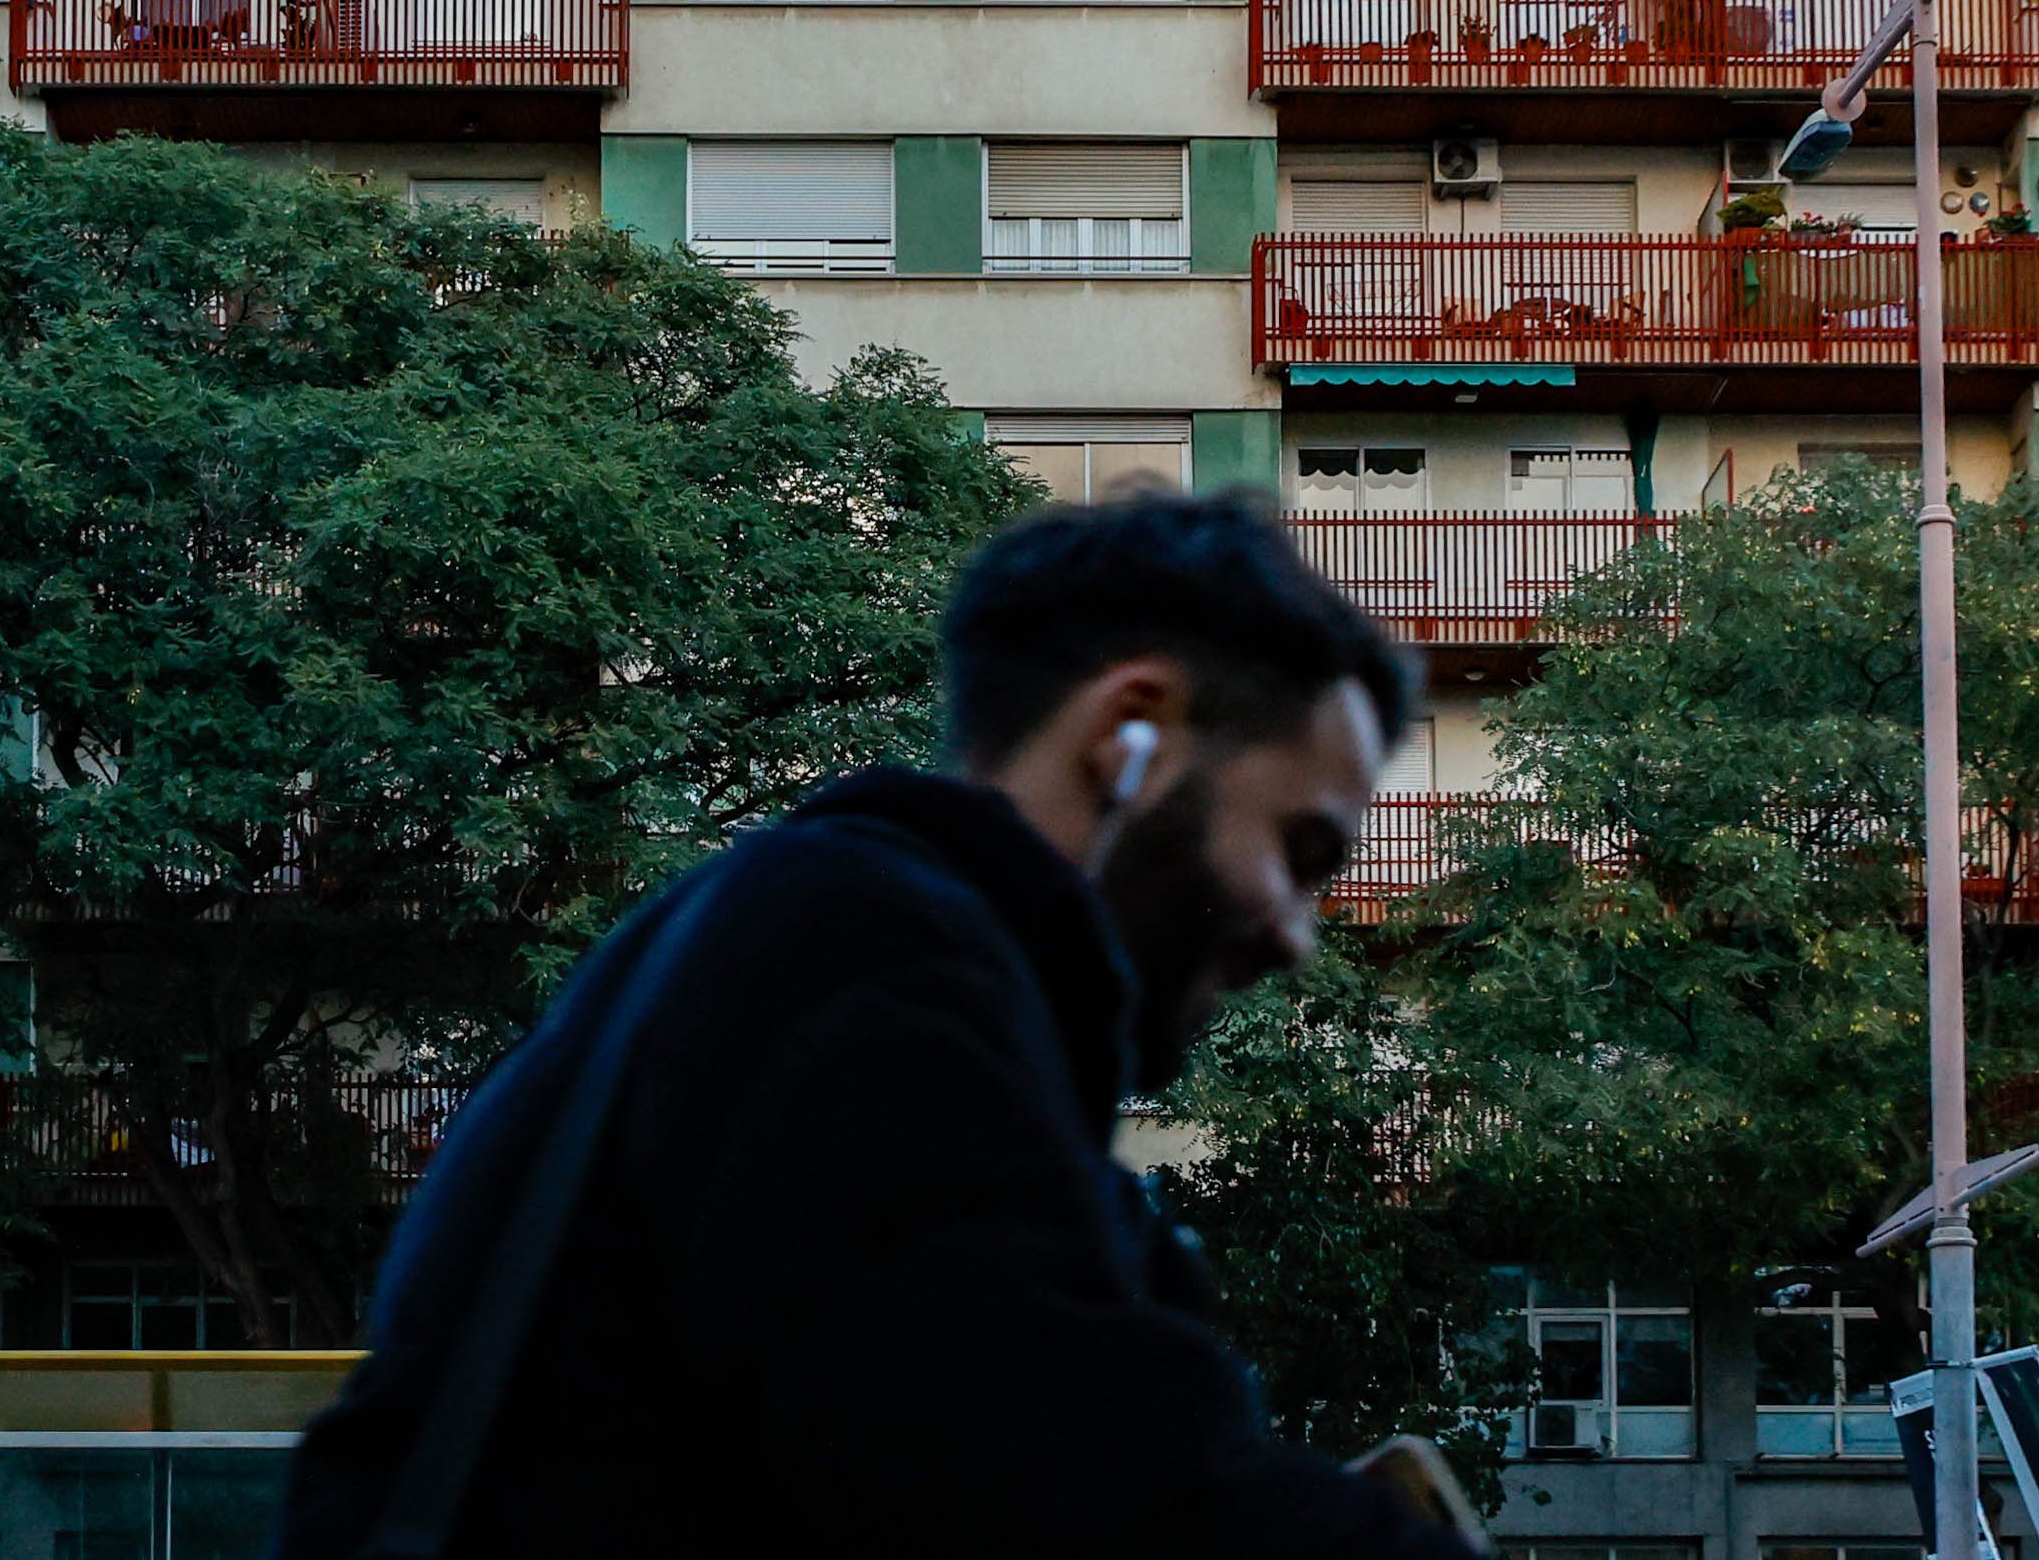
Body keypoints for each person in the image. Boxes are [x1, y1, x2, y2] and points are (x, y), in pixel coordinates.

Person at [274, 491, 1477, 1560]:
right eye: (1299, 850)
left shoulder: (833, 951)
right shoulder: (870, 958)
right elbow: (1095, 1484)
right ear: (1133, 731)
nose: (1292, 933)